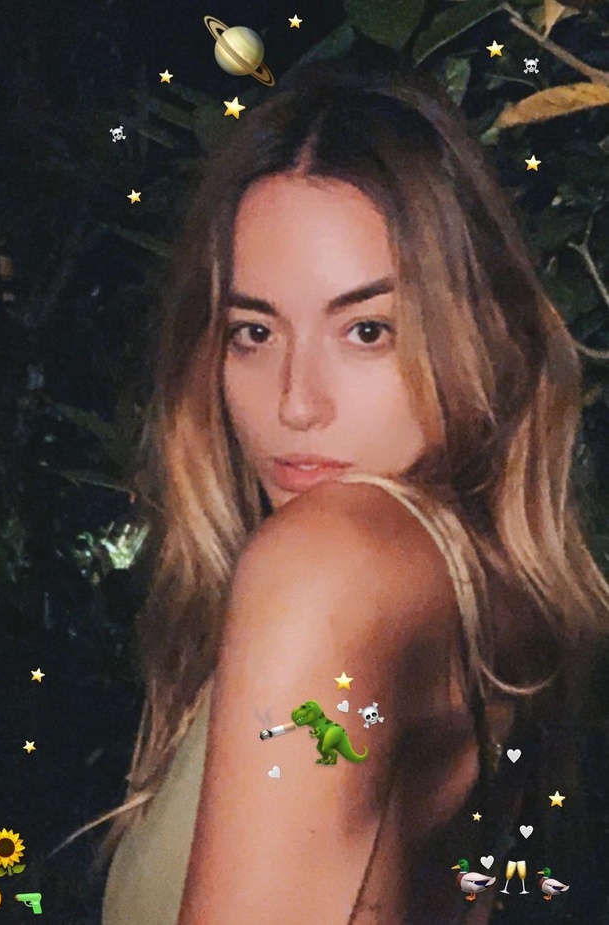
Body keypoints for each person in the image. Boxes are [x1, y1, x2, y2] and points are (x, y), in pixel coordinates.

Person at [93, 61, 609, 924]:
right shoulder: (478, 594)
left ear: (477, 336)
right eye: (253, 331)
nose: (296, 402)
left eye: (367, 330)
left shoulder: (325, 565)